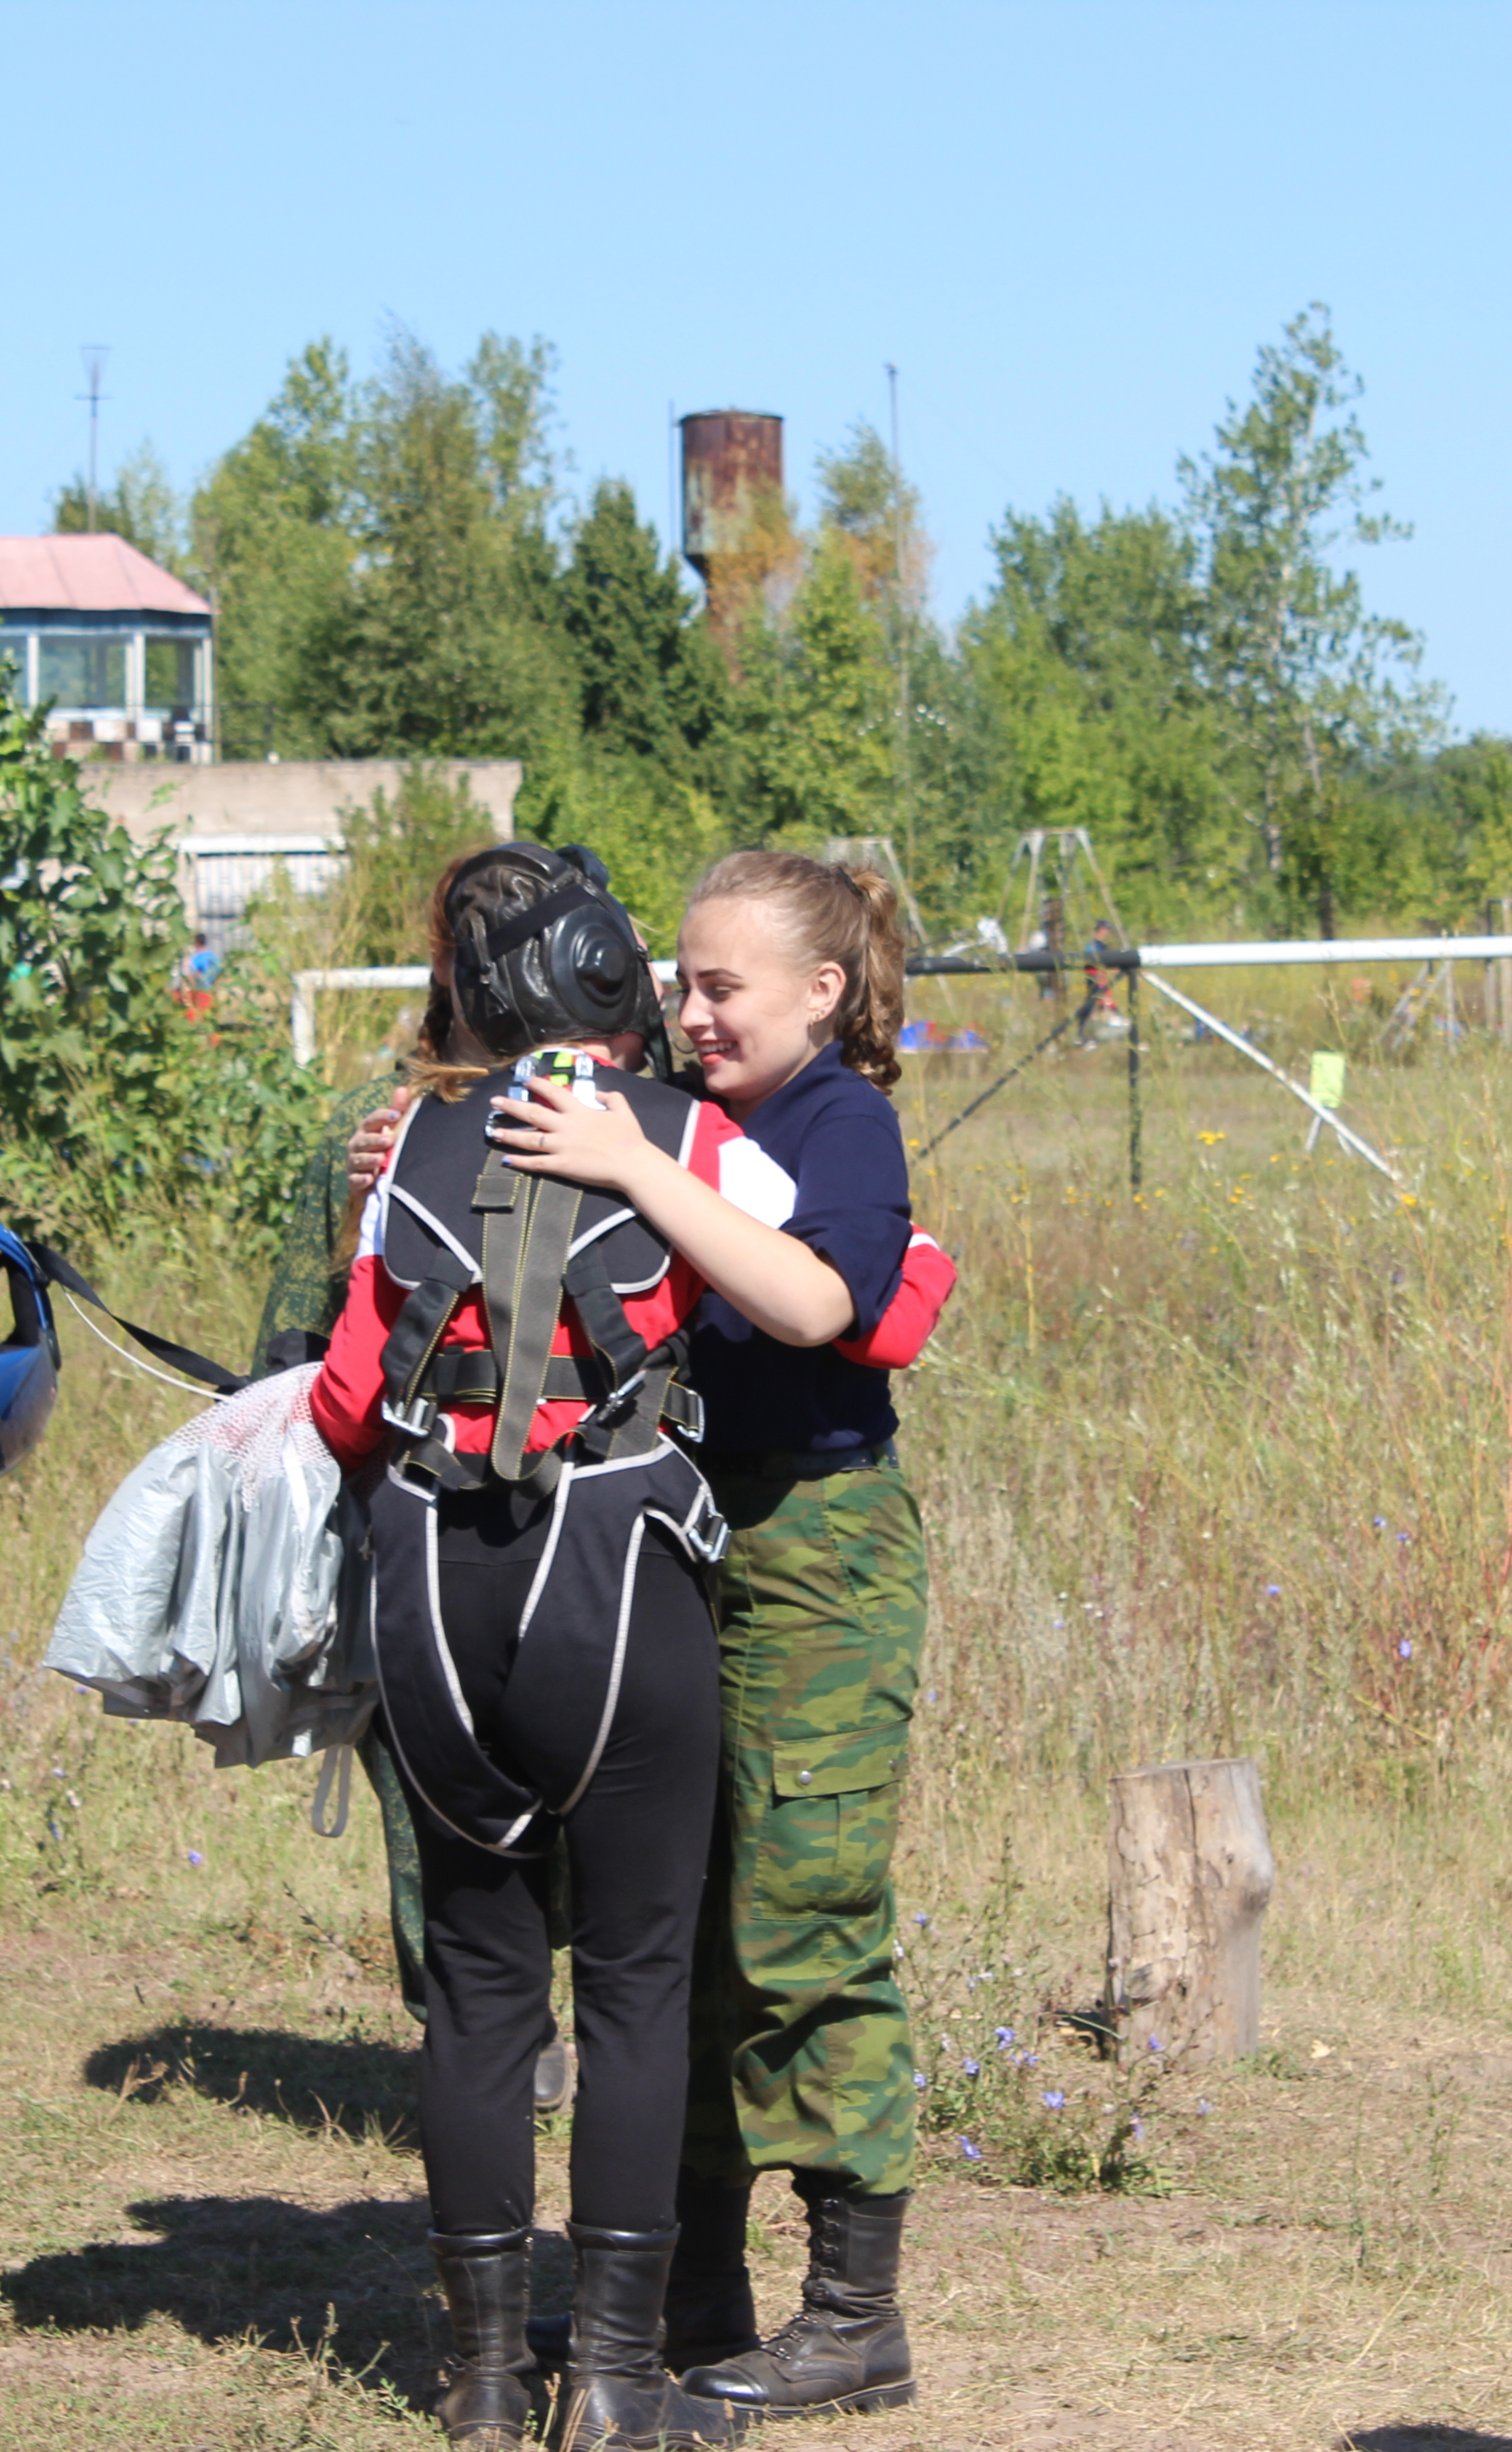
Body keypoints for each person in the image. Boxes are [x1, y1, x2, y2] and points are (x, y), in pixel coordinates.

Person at [313, 842, 851, 2452]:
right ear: (615, 974)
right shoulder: (687, 1134)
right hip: (611, 1576)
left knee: (479, 1991)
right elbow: (821, 1303)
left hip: (431, 1592)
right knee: (631, 1985)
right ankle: (616, 2380)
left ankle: (482, 2377)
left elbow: (349, 1398)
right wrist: (645, 1179)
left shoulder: (400, 1138)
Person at [643, 851, 938, 2424]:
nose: (690, 1014)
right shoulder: (674, 1116)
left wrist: (644, 1176)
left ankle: (852, 2322)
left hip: (815, 1551)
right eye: (678, 984)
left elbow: (822, 1302)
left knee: (803, 1926)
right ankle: (691, 2296)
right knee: (680, 1923)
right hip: (680, 1533)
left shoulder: (841, 1123)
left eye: (720, 986)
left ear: (821, 992)